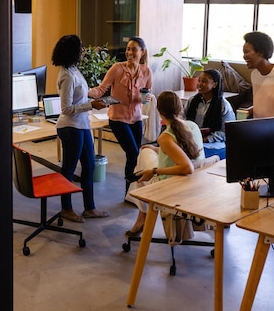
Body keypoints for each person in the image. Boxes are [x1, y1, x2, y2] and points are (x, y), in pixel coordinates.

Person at [125, 91, 204, 236]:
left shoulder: (165, 137)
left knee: (141, 168)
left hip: (172, 186)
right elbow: (181, 150)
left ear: (159, 110)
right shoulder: (192, 126)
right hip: (197, 183)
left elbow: (187, 167)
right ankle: (141, 217)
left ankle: (142, 217)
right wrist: (157, 149)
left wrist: (154, 171)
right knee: (146, 154)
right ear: (181, 108)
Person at [51, 34, 109, 223]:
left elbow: (82, 95)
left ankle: (89, 208)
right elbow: (66, 109)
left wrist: (97, 97)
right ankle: (66, 208)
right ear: (72, 52)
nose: (83, 51)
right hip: (70, 127)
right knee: (68, 169)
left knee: (90, 165)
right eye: (80, 48)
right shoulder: (67, 75)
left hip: (81, 124)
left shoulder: (74, 70)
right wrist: (92, 105)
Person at [88, 37, 153, 194]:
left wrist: (148, 98)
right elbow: (102, 89)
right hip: (118, 119)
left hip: (136, 119)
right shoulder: (117, 68)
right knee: (133, 153)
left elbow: (149, 92)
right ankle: (131, 192)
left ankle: (130, 192)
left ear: (142, 52)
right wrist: (87, 92)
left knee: (133, 157)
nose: (129, 52)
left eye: (134, 49)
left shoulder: (147, 71)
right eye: (128, 49)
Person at [184, 69, 235, 159]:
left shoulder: (223, 106)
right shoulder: (192, 101)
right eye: (199, 80)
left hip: (213, 144)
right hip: (192, 141)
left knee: (196, 155)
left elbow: (227, 132)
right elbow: (182, 120)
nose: (199, 84)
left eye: (204, 81)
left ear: (214, 84)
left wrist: (206, 139)